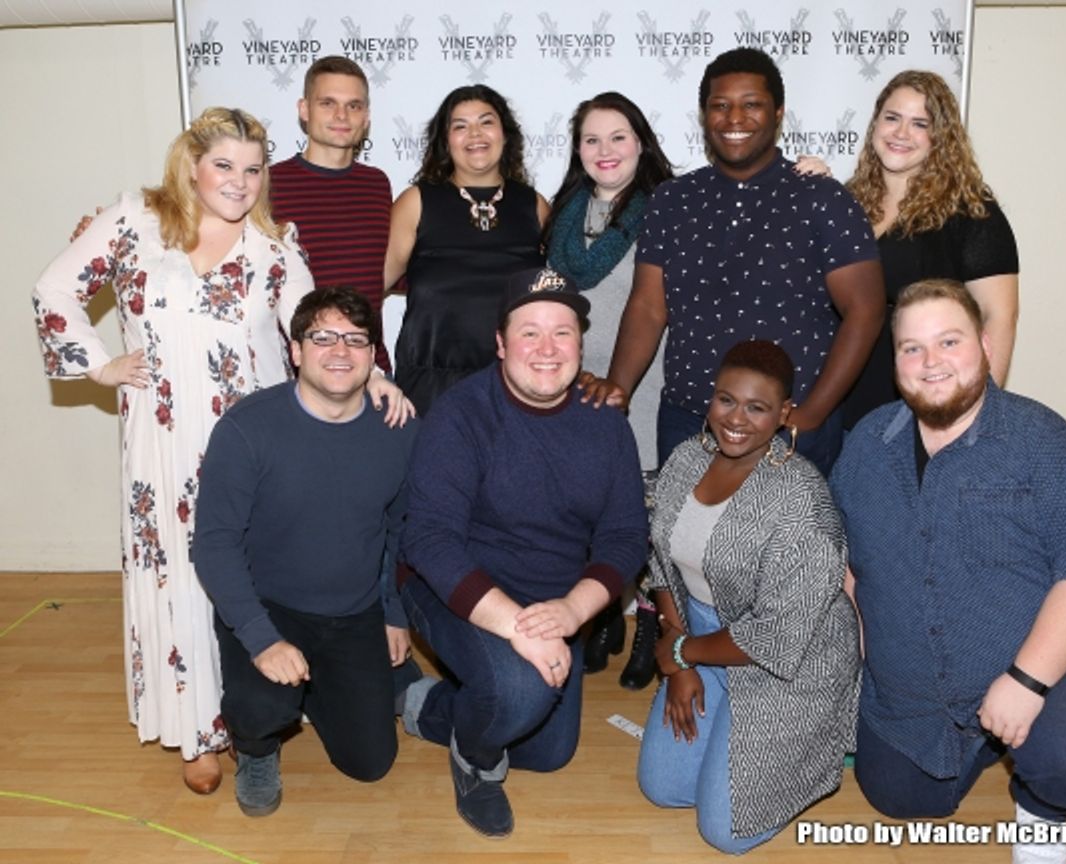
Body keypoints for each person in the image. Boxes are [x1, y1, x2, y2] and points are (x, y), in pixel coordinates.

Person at [33, 108, 319, 795]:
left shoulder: (274, 247)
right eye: (225, 165)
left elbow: (315, 331)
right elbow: (56, 290)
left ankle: (250, 722)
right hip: (160, 445)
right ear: (190, 164)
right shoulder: (136, 221)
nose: (240, 181)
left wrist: (373, 379)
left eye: (253, 169)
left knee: (246, 577)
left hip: (250, 445)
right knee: (179, 581)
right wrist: (100, 366)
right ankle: (198, 730)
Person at [829, 279, 1066, 864]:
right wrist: (868, 651)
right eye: (912, 348)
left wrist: (1025, 683)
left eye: (949, 342)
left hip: (1035, 660)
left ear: (986, 345)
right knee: (899, 797)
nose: (931, 364)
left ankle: (1040, 801)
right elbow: (849, 565)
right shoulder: (867, 445)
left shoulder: (1045, 441)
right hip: (915, 681)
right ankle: (983, 741)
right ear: (894, 359)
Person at [397, 267, 648, 838]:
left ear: (580, 345)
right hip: (455, 585)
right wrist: (516, 627)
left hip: (553, 598)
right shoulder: (461, 414)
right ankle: (475, 762)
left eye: (562, 332)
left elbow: (626, 537)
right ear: (501, 343)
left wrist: (571, 613)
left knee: (546, 752)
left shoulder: (606, 424)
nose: (546, 348)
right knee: (519, 692)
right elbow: (429, 540)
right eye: (529, 332)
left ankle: (425, 704)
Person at [591, 47, 885, 477]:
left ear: (778, 113)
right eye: (720, 106)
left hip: (787, 427)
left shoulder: (822, 199)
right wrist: (618, 386)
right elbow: (649, 307)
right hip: (687, 420)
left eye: (752, 105)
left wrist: (813, 413)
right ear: (703, 114)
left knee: (787, 546)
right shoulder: (672, 201)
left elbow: (866, 310)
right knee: (681, 544)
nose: (734, 119)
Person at [193, 287, 420, 817]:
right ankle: (256, 748)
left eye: (356, 339)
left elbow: (400, 529)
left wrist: (393, 613)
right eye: (322, 337)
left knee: (370, 763)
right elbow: (213, 544)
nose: (340, 351)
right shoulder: (247, 428)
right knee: (260, 703)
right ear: (295, 350)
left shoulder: (399, 428)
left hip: (353, 611)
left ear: (372, 356)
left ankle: (320, 688)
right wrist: (261, 638)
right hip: (272, 607)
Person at [637, 340, 859, 854]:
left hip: (787, 664)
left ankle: (815, 750)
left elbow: (778, 637)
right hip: (699, 635)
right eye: (725, 400)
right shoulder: (687, 459)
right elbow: (662, 562)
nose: (736, 419)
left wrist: (677, 655)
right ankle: (725, 727)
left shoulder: (801, 500)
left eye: (757, 408)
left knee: (726, 833)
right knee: (663, 787)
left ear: (784, 415)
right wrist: (680, 653)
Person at [797, 70, 1019, 429]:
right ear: (875, 124)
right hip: (839, 395)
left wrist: (979, 415)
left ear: (940, 137)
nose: (901, 133)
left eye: (920, 124)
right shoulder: (848, 203)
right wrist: (818, 189)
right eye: (892, 118)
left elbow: (999, 316)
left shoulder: (972, 213)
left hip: (924, 396)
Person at [543, 91, 674, 688]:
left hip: (642, 386)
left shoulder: (668, 207)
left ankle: (649, 618)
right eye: (591, 139)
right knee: (588, 513)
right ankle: (600, 614)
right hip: (571, 390)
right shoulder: (563, 213)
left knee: (648, 516)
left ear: (640, 142)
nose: (605, 150)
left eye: (618, 136)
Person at [385, 85, 547, 414]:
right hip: (430, 389)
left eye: (486, 122)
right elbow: (372, 289)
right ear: (446, 141)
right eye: (460, 126)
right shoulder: (416, 202)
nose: (475, 134)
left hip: (517, 385)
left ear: (505, 133)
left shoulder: (535, 206)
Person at [269, 56, 395, 373]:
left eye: (354, 105)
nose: (342, 115)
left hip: (371, 370)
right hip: (298, 375)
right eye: (328, 103)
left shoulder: (377, 184)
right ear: (304, 109)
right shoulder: (268, 185)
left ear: (366, 116)